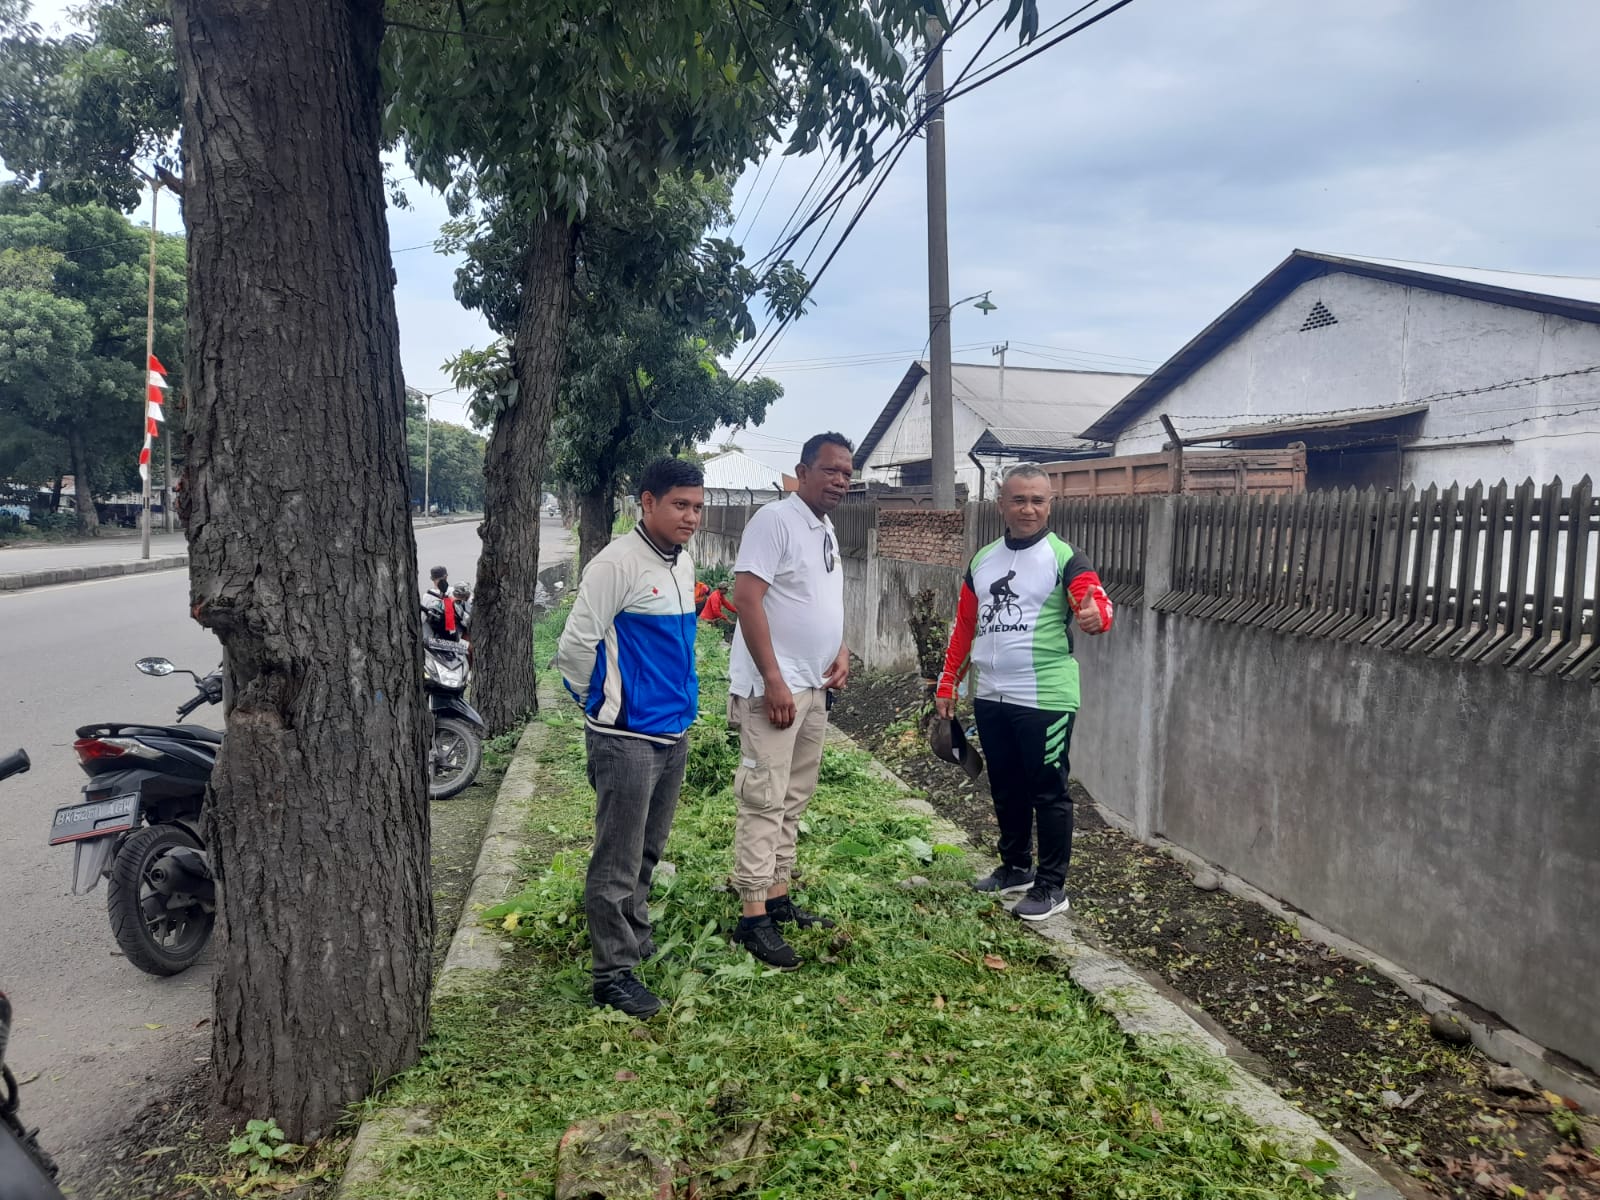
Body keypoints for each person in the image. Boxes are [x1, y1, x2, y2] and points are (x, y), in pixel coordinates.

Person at [554, 458, 705, 1018]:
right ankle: (611, 973)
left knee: (648, 848)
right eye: (680, 505)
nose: (691, 517)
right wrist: (597, 704)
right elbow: (574, 647)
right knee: (616, 859)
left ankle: (635, 938)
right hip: (626, 738)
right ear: (647, 502)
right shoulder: (615, 564)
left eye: (697, 506)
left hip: (672, 731)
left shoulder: (681, 561)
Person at [934, 463, 1113, 922]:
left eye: (1037, 500)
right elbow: (965, 627)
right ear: (1002, 504)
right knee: (1005, 785)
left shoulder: (1065, 556)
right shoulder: (983, 560)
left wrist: (1097, 616)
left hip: (1045, 697)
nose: (1028, 508)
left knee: (1048, 791)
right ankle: (1016, 867)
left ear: (1050, 505)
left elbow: (1093, 600)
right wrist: (947, 681)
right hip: (991, 694)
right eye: (1019, 499)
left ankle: (1052, 887)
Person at [727, 432, 852, 969]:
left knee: (794, 795)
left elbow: (820, 598)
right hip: (774, 690)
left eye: (847, 473)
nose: (840, 481)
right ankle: (752, 916)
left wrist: (840, 647)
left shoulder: (825, 528)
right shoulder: (774, 520)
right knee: (763, 798)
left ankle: (777, 896)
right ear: (802, 472)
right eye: (831, 470)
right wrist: (773, 678)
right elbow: (746, 598)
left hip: (814, 685)